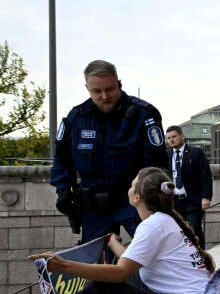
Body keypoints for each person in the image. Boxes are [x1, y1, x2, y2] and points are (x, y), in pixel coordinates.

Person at [28, 167, 216, 294]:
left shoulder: (152, 225)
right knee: (124, 280)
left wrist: (65, 266)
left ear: (137, 197)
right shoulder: (164, 221)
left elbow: (120, 273)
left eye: (132, 184)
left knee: (98, 289)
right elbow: (133, 263)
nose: (129, 187)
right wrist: (112, 242)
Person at [51, 60, 170, 241]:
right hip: (94, 208)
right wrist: (63, 191)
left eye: (110, 89)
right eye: (97, 91)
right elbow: (62, 159)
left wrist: (152, 199)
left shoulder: (144, 114)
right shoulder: (76, 118)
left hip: (135, 201)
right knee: (96, 262)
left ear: (118, 83)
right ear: (87, 88)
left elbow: (157, 163)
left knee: (152, 255)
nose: (105, 96)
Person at [166, 126, 213, 249]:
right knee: (176, 232)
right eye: (169, 138)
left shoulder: (196, 152)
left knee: (194, 228)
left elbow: (206, 175)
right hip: (174, 202)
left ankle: (202, 258)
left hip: (193, 200)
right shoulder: (166, 155)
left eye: (174, 136)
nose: (171, 140)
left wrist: (206, 197)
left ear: (182, 136)